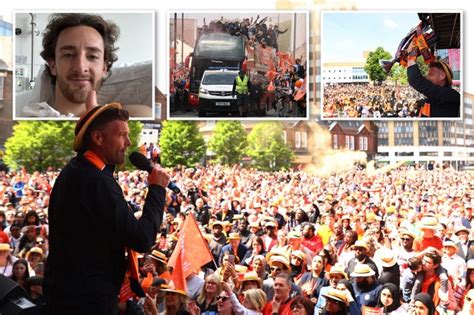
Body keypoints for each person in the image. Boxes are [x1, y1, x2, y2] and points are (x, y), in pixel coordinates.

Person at [43, 103, 170, 314]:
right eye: (122, 135)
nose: (128, 142)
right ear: (98, 138)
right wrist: (157, 189)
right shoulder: (95, 181)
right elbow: (142, 239)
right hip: (86, 302)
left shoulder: (77, 171)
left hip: (72, 295)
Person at [33, 13, 150, 118]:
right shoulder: (33, 117)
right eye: (68, 55)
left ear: (104, 68)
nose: (80, 67)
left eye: (92, 56)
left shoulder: (130, 115)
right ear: (53, 65)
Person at [406, 40, 460, 117]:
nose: (427, 77)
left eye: (431, 74)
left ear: (442, 75)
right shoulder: (435, 96)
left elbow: (415, 80)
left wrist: (411, 56)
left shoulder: (451, 95)